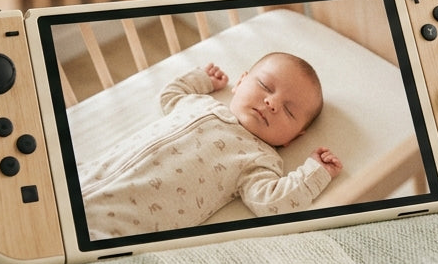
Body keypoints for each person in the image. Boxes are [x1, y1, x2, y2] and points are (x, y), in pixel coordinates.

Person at [78, 52, 342, 240]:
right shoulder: (200, 102)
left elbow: (272, 202)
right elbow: (169, 96)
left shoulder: (260, 160)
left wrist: (314, 172)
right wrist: (202, 79)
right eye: (265, 86)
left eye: (289, 111)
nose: (272, 103)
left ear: (293, 138)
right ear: (240, 82)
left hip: (124, 224)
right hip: (83, 177)